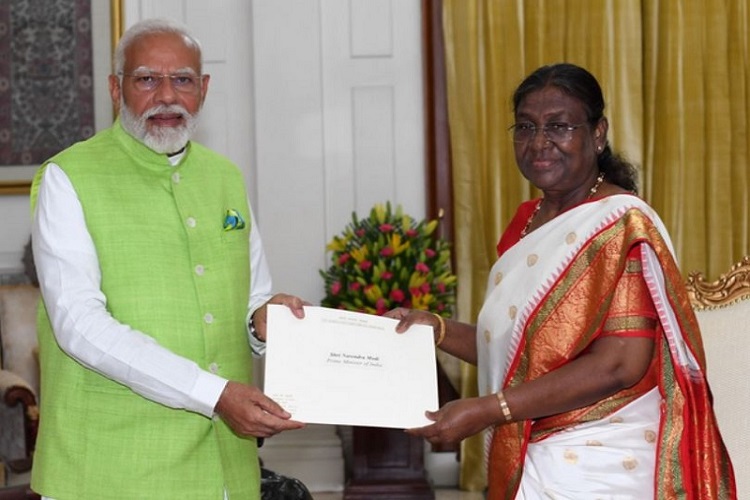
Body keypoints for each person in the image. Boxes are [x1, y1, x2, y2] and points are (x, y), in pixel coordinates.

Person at [388, 63, 736, 499]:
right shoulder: (527, 223)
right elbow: (521, 351)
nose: (538, 143)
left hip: (606, 458)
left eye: (559, 126)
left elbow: (619, 363)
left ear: (597, 133)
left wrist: (489, 409)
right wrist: (436, 329)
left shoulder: (621, 225)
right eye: (525, 127)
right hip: (535, 445)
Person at [29, 18, 306, 500]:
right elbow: (79, 324)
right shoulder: (68, 177)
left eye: (182, 79)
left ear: (203, 88)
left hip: (224, 468)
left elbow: (252, 298)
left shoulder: (225, 178)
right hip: (109, 470)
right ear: (116, 90)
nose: (166, 96)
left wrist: (264, 321)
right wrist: (214, 394)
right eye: (146, 79)